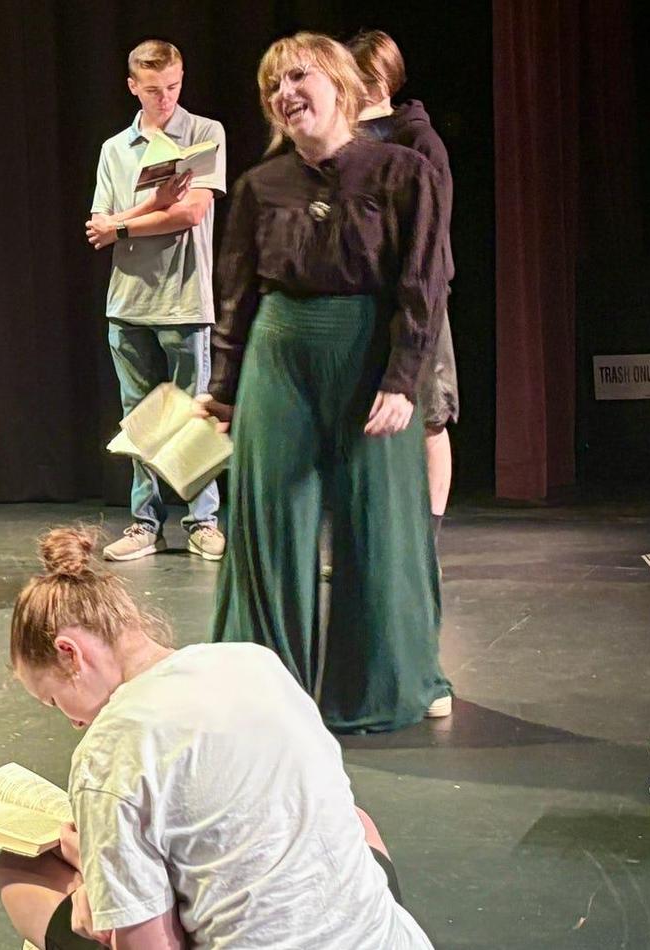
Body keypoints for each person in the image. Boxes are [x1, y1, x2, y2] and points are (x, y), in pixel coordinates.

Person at [0, 528, 434, 949]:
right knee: (358, 819)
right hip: (382, 939)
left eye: (53, 699)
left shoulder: (108, 752)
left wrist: (98, 880)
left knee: (19, 869)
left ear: (71, 654)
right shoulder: (255, 661)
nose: (72, 722)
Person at [205, 32, 452, 733]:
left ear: (341, 84)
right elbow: (236, 294)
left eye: (297, 76)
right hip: (278, 356)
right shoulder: (259, 185)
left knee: (378, 524)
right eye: (271, 85)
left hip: (366, 355)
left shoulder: (403, 172)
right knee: (267, 523)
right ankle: (262, 689)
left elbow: (423, 286)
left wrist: (402, 380)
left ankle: (383, 685)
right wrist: (222, 388)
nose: (284, 93)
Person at [86, 39, 228, 563]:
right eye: (152, 90)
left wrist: (126, 223)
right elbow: (98, 228)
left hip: (186, 299)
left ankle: (203, 520)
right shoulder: (113, 149)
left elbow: (191, 214)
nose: (164, 98)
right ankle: (146, 523)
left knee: (193, 416)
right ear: (132, 87)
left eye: (172, 87)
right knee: (141, 419)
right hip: (128, 302)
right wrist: (146, 210)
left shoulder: (204, 133)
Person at [349, 29, 460, 542]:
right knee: (365, 420)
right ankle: (372, 536)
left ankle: (426, 539)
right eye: (356, 77)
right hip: (360, 300)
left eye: (372, 78)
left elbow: (432, 234)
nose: (364, 88)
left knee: (430, 417)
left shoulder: (418, 140)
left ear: (389, 78)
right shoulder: (342, 137)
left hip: (419, 298)